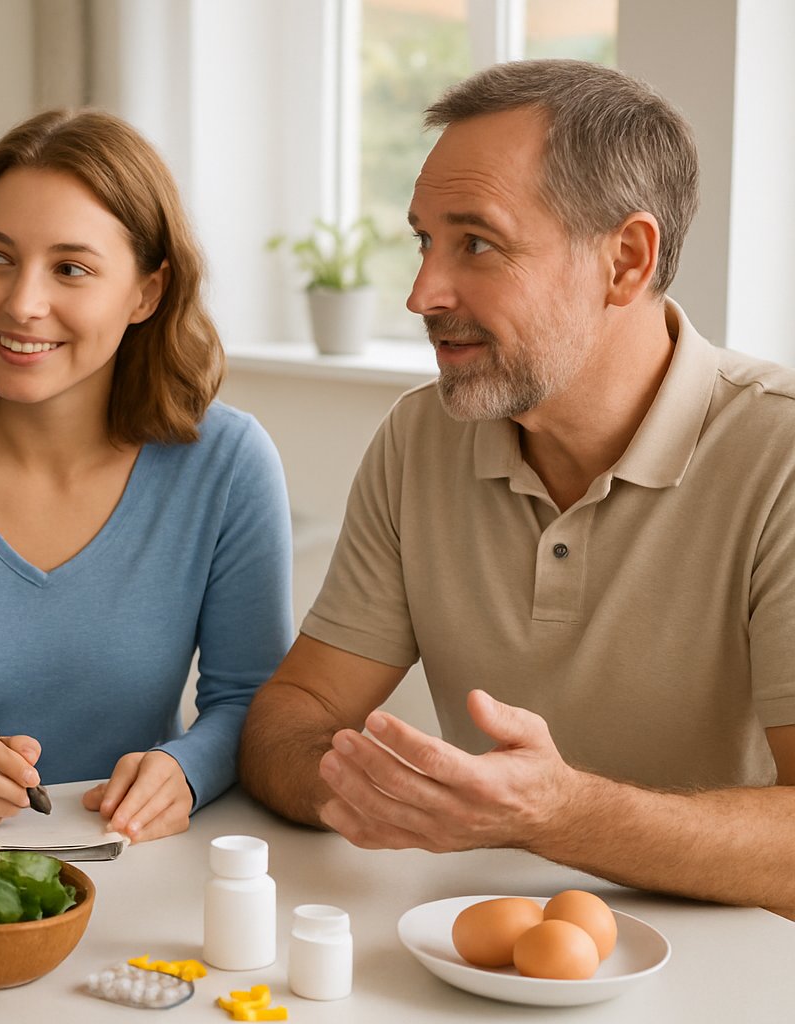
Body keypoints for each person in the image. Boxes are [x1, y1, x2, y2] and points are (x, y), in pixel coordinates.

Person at [239, 59, 795, 915]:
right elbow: (294, 711)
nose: (422, 293)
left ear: (625, 261)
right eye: (424, 241)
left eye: (477, 243)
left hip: (734, 964)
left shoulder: (779, 454)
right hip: (471, 950)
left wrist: (558, 814)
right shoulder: (420, 438)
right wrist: (365, 790)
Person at [0, 109, 291, 843]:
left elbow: (250, 702)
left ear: (147, 292)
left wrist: (185, 770)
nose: (21, 303)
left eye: (70, 268)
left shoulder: (229, 464)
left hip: (143, 858)